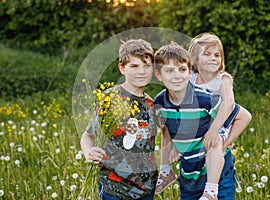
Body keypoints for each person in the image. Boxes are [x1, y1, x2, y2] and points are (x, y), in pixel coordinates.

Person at [153, 42, 251, 200]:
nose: (177, 75)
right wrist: (173, 151)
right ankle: (166, 174)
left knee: (217, 137)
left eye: (182, 69)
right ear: (159, 75)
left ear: (190, 71)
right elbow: (167, 131)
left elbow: (243, 116)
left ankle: (211, 191)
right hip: (189, 173)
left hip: (218, 173)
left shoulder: (204, 98)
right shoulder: (160, 102)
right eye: (169, 71)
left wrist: (221, 145)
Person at [80, 39, 158, 200]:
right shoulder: (111, 98)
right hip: (114, 187)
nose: (142, 71)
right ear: (122, 68)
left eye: (146, 65)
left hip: (146, 188)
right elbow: (88, 135)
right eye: (134, 66)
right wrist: (88, 151)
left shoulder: (152, 105)